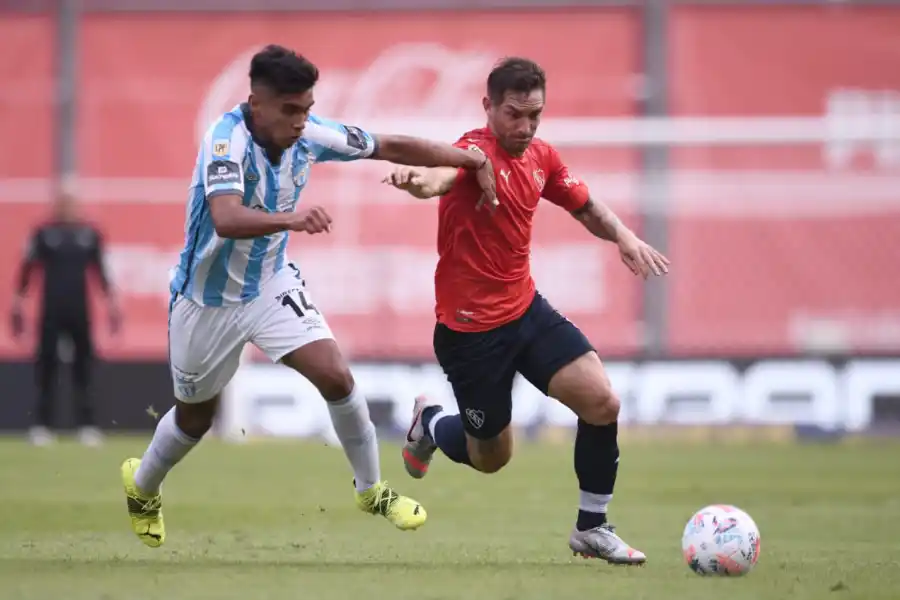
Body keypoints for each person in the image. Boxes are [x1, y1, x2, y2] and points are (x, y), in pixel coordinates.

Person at [120, 44, 496, 548]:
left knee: (336, 376)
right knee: (195, 418)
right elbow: (226, 218)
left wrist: (468, 158)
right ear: (257, 103)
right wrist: (291, 219)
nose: (301, 120)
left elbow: (388, 144)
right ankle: (143, 486)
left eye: (307, 109)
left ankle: (371, 490)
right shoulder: (225, 141)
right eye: (290, 109)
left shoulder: (310, 134)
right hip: (206, 302)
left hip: (270, 284)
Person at [384, 57, 669, 564]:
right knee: (492, 458)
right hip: (471, 334)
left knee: (602, 402)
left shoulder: (542, 157)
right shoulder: (472, 152)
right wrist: (416, 181)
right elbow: (439, 178)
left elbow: (585, 206)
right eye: (514, 114)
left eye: (534, 114)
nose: (525, 126)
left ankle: (592, 527)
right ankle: (431, 423)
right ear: (488, 107)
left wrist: (623, 237)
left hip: (525, 311)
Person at [11, 190, 121, 447]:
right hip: (51, 310)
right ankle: (42, 425)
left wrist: (112, 303)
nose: (68, 207)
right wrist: (19, 301)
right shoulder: (43, 234)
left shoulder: (89, 235)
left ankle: (87, 425)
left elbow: (102, 271)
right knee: (47, 366)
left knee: (84, 366)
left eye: (72, 203)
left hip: (79, 310)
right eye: (63, 202)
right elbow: (27, 268)